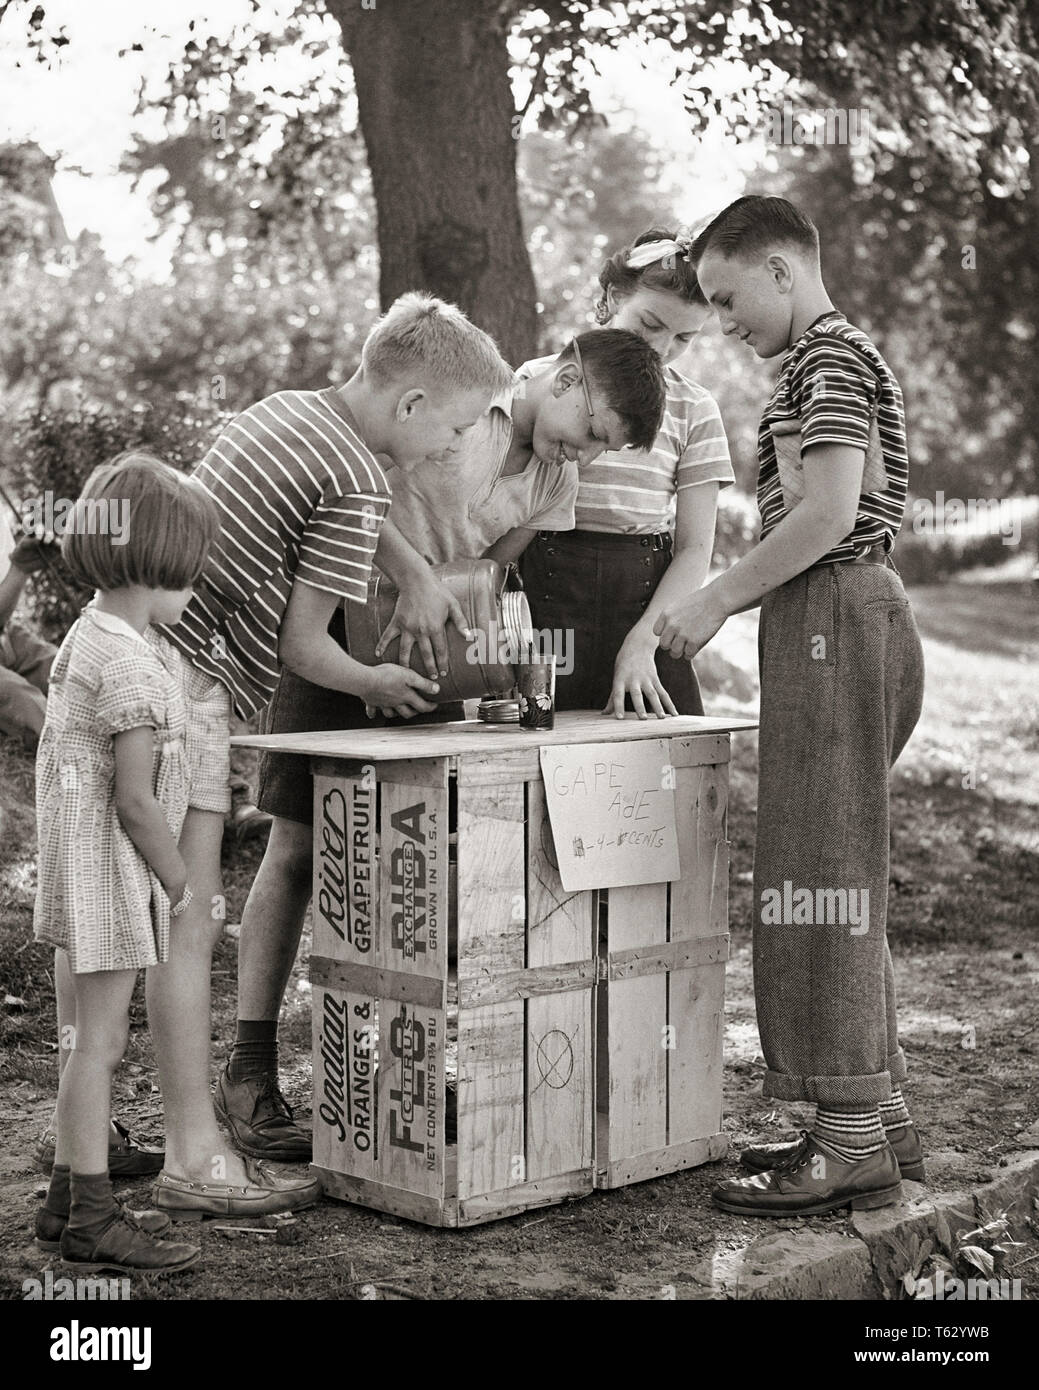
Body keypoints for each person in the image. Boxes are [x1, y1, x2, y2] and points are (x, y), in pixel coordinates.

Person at [219, 328, 668, 1159]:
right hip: (338, 639)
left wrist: (485, 662)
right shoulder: (461, 406)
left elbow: (493, 573)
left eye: (607, 449)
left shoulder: (555, 481)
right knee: (297, 847)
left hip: (428, 676)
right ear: (568, 379)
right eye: (595, 428)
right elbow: (360, 482)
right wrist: (416, 577)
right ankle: (249, 1066)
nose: (591, 454)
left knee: (410, 864)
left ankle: (397, 1078)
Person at [150, 293, 513, 1202]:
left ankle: (111, 1138)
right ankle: (198, 1154)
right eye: (457, 427)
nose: (452, 449)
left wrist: (408, 582)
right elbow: (305, 649)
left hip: (132, 663)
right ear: (412, 405)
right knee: (185, 917)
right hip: (182, 691)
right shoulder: (359, 478)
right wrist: (375, 684)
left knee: (134, 914)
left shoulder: (285, 408)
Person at [655, 195, 925, 1216]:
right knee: (835, 864)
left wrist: (717, 594)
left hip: (834, 612)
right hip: (836, 614)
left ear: (780, 268)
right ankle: (881, 1117)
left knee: (817, 870)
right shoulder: (823, 362)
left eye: (728, 300)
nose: (724, 323)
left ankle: (846, 1140)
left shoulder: (825, 359)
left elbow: (828, 511)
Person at [32, 454, 223, 1272]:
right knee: (99, 1045)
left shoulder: (86, 634)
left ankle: (64, 1204)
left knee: (83, 1035)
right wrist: (181, 885)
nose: (194, 594)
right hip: (111, 876)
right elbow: (137, 802)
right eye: (191, 576)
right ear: (162, 569)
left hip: (73, 869)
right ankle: (93, 1223)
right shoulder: (138, 665)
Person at [513, 227, 735, 719]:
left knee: (658, 766)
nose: (662, 347)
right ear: (614, 297)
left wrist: (643, 645)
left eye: (684, 337)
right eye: (650, 323)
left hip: (643, 605)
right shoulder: (539, 380)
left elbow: (696, 548)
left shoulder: (695, 408)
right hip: (546, 595)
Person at [0, 509, 59, 752]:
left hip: (6, 635)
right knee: (27, 703)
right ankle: (70, 760)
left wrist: (20, 568)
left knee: (66, 668)